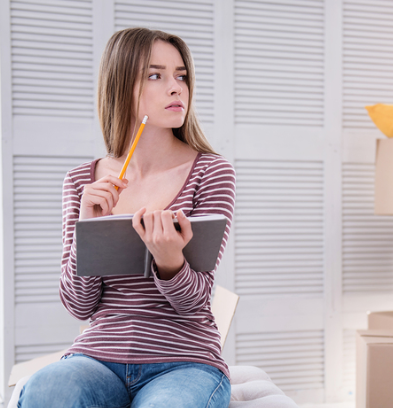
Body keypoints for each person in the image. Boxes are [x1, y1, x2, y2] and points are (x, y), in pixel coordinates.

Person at [17, 27, 235, 408]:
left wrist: (170, 262)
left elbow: (196, 303)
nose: (176, 88)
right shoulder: (82, 182)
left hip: (185, 362)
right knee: (45, 392)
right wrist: (89, 230)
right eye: (155, 75)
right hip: (97, 357)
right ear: (120, 86)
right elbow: (79, 305)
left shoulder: (211, 172)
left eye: (181, 76)